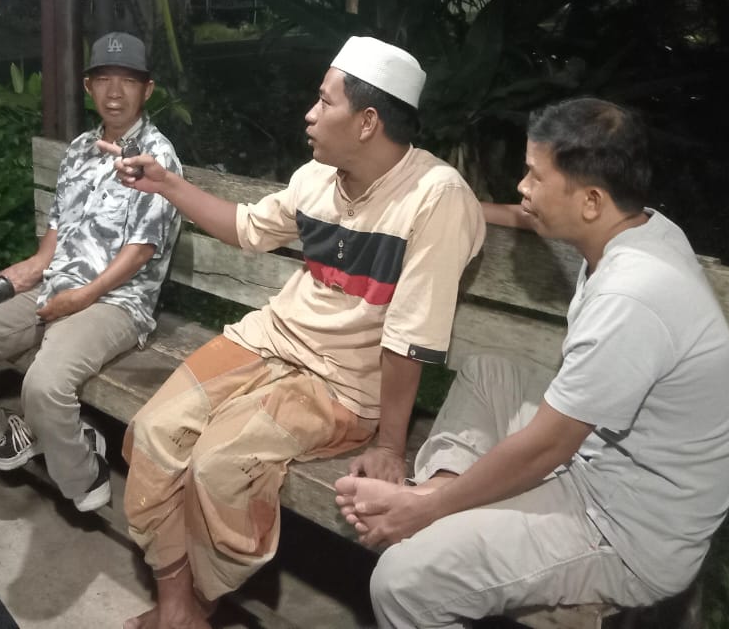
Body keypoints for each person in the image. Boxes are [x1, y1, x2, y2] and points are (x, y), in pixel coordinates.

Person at [104, 37, 486, 629]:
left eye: (324, 102)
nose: (309, 115)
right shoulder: (316, 177)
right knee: (154, 431)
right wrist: (166, 184)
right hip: (268, 339)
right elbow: (247, 228)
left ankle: (197, 600)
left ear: (367, 122)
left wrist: (390, 446)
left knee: (219, 465)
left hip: (341, 383)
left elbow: (409, 336)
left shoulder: (435, 199)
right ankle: (178, 605)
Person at [335, 98, 729, 629]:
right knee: (490, 373)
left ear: (591, 200)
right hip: (607, 458)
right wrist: (452, 208)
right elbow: (531, 217)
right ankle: (441, 492)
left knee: (401, 583)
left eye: (535, 175)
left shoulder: (631, 297)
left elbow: (549, 446)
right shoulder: (642, 227)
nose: (522, 187)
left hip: (626, 529)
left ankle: (429, 508)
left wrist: (421, 513)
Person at [0, 31, 181, 514]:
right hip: (57, 286)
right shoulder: (81, 149)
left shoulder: (158, 156)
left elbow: (140, 252)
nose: (115, 92)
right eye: (103, 79)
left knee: (43, 385)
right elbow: (55, 236)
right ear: (89, 87)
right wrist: (29, 270)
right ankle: (4, 435)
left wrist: (82, 298)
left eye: (128, 81)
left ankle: (85, 475)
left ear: (147, 90)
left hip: (116, 301)